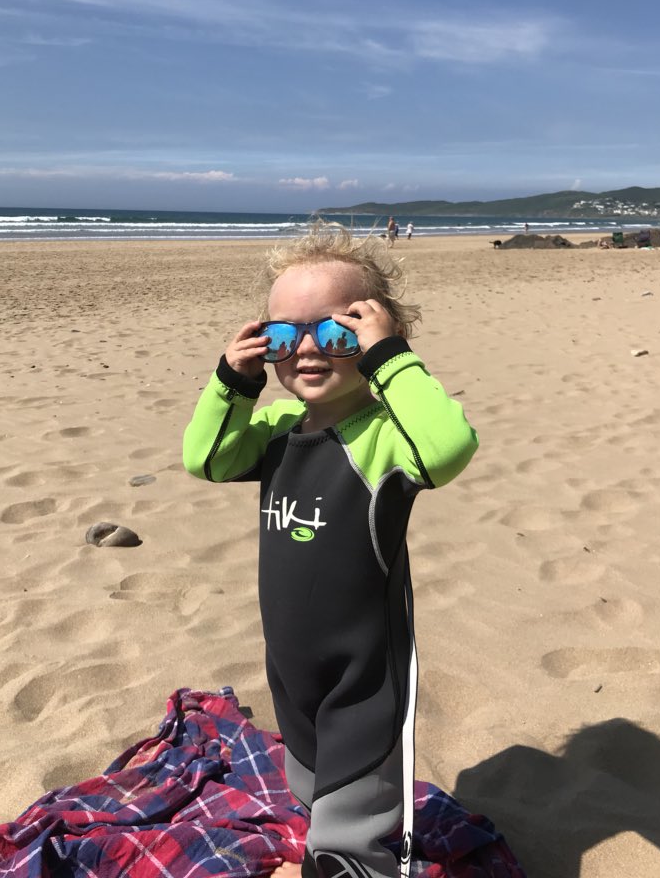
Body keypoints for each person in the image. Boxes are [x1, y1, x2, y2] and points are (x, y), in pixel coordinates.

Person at [183, 226, 478, 878]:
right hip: (292, 669)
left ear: (375, 338)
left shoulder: (386, 437)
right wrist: (232, 381)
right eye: (284, 336)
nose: (308, 349)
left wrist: (391, 360)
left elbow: (448, 447)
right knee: (311, 786)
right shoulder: (276, 430)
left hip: (364, 679)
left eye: (339, 332)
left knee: (352, 830)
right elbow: (203, 458)